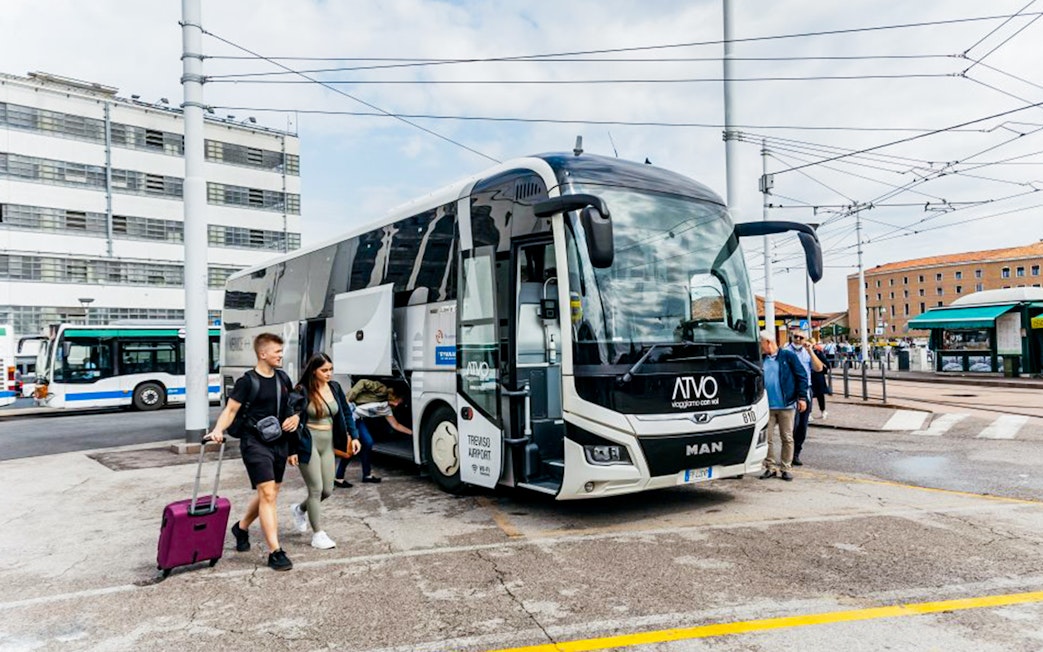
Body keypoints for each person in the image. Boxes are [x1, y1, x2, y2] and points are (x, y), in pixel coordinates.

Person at [206, 333, 300, 572]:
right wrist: (217, 430)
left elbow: (292, 407)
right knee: (268, 493)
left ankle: (242, 527)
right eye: (277, 352)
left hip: (279, 441)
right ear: (263, 354)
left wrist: (295, 419)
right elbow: (230, 410)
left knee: (270, 492)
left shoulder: (283, 378)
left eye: (281, 351)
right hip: (254, 443)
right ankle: (275, 552)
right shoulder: (247, 381)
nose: (281, 355)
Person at [289, 353, 361, 549]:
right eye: (324, 370)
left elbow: (346, 413)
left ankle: (299, 509)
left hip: (328, 443)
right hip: (308, 442)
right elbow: (291, 420)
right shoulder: (301, 390)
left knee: (327, 490)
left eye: (331, 369)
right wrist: (292, 450)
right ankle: (318, 534)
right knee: (316, 489)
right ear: (314, 371)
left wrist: (354, 436)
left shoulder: (335, 387)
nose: (329, 374)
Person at [335, 379, 412, 485]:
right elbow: (362, 382)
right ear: (395, 396)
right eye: (399, 400)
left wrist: (412, 433)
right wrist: (348, 399)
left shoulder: (387, 409)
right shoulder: (382, 390)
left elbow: (396, 425)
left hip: (357, 419)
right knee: (352, 447)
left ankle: (367, 475)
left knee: (368, 443)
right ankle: (339, 478)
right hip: (348, 416)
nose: (399, 404)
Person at [759, 332, 808, 481]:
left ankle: (786, 468)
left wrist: (802, 398)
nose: (760, 347)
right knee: (767, 438)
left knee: (787, 437)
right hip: (767, 406)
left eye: (761, 343)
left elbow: (802, 376)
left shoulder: (787, 356)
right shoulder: (762, 359)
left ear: (768, 342)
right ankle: (770, 467)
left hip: (786, 405)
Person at [785, 330, 823, 466]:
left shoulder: (807, 353)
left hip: (806, 391)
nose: (798, 339)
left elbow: (819, 368)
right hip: (790, 392)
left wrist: (811, 352)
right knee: (791, 425)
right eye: (796, 336)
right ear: (791, 337)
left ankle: (796, 454)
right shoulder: (785, 351)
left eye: (801, 337)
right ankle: (787, 455)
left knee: (802, 425)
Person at [810, 341, 831, 420]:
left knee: (819, 395)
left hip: (818, 376)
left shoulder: (818, 353)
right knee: (811, 395)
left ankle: (823, 411)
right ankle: (810, 413)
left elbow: (826, 363)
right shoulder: (805, 353)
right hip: (812, 377)